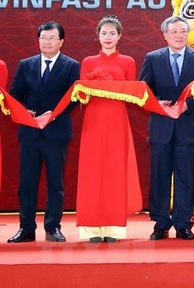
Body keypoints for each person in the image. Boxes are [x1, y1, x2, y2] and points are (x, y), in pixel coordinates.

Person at [8, 21, 80, 243]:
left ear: (61, 41)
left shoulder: (71, 65)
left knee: (55, 182)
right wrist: (24, 110)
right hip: (30, 133)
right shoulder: (26, 64)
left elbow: (75, 97)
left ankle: (53, 227)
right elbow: (14, 93)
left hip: (55, 132)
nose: (47, 42)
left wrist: (54, 113)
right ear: (38, 40)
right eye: (43, 38)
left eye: (52, 38)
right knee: (27, 182)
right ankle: (26, 228)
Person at [139, 16, 194, 240]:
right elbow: (143, 91)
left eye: (183, 31)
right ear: (165, 35)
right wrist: (157, 103)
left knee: (185, 178)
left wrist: (190, 104)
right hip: (161, 128)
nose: (179, 35)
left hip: (188, 127)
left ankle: (183, 224)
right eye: (174, 32)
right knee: (159, 177)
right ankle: (160, 223)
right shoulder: (152, 58)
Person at [76, 15, 142, 242]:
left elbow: (133, 94)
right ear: (98, 36)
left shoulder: (128, 62)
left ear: (119, 36)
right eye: (104, 33)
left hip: (117, 121)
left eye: (112, 33)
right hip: (93, 121)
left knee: (115, 171)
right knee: (92, 172)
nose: (108, 37)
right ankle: (91, 228)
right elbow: (81, 95)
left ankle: (114, 228)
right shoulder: (88, 62)